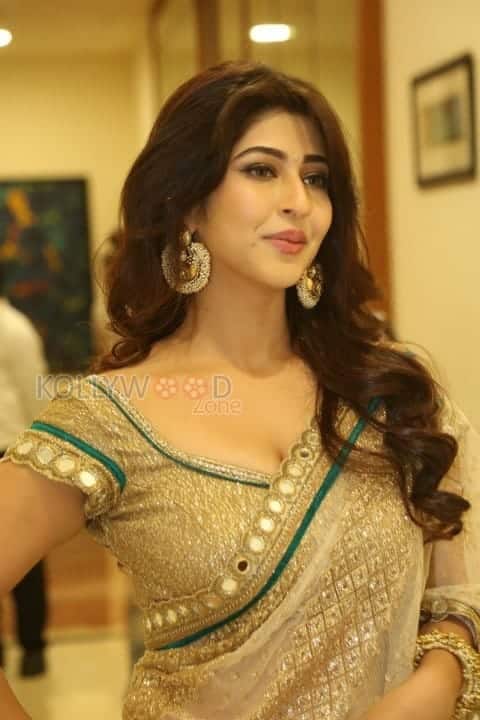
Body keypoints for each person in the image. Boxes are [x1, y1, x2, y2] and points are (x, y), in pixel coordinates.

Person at [0, 60, 479, 719]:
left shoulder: (389, 391)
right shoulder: (109, 418)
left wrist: (439, 678)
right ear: (187, 202)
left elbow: (459, 590)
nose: (298, 201)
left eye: (316, 177)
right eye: (261, 170)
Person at [0, 264, 49, 677]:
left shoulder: (13, 329)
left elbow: (35, 392)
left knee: (24, 554)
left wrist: (38, 449)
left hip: (9, 451)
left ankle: (33, 646)